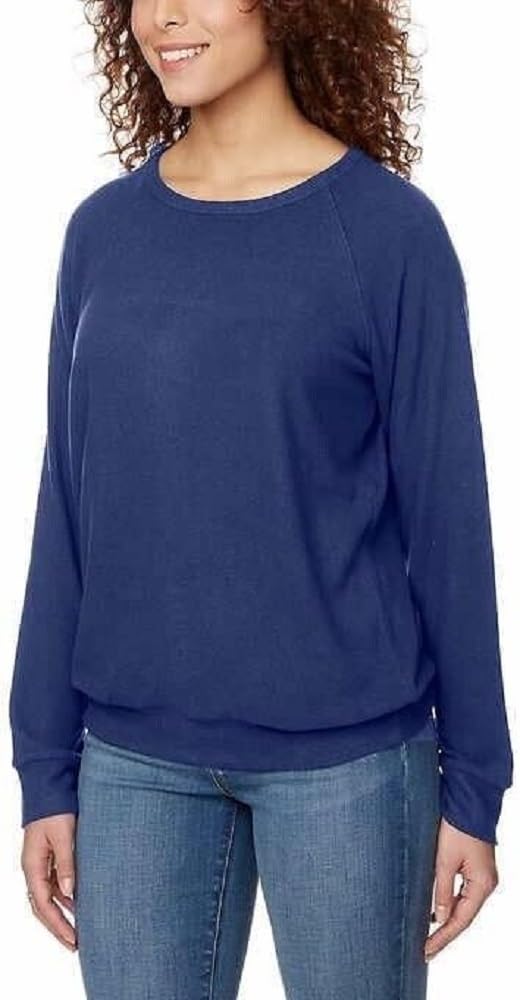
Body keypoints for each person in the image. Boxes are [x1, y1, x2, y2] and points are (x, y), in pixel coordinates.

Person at [8, 2, 513, 997]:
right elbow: (67, 502)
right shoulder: (102, 233)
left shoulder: (387, 234)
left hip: (349, 767)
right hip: (133, 764)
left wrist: (476, 785)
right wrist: (43, 766)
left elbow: (449, 520)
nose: (165, 15)